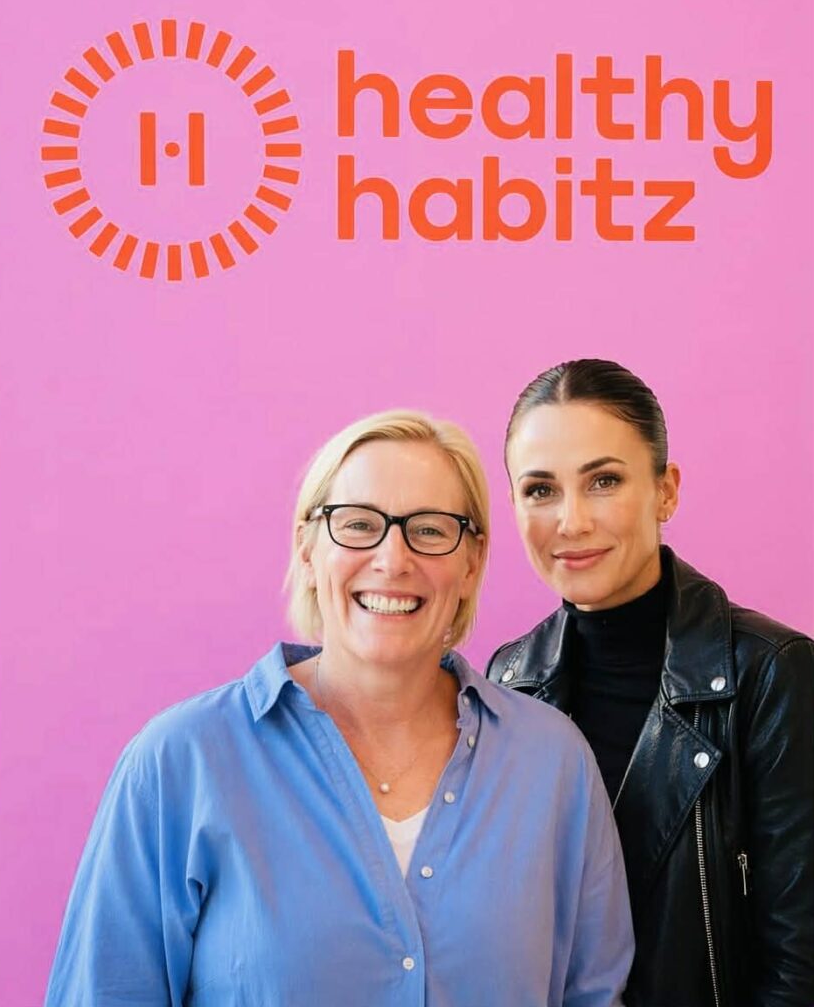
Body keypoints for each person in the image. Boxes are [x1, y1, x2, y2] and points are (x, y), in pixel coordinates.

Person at [45, 409, 633, 1007]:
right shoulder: (179, 762)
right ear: (307, 547)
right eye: (357, 524)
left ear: (471, 562)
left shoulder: (552, 762)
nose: (393, 560)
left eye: (430, 530)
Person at [487, 359, 814, 1007]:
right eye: (540, 489)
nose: (571, 521)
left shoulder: (772, 671)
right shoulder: (509, 682)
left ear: (665, 491)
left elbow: (799, 966)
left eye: (603, 480)